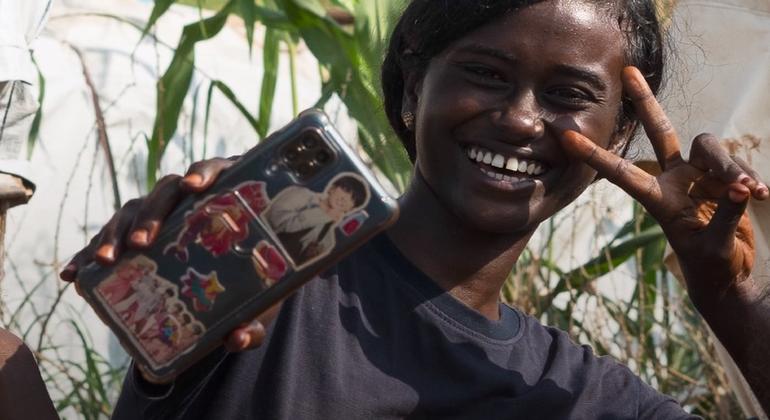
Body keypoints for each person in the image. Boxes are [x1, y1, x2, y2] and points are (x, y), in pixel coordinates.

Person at [59, 0, 770, 418]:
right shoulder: (272, 286)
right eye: (486, 75)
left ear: (617, 137)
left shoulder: (579, 395)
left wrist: (729, 301)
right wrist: (176, 261)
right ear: (409, 92)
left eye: (567, 96)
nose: (522, 121)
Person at [263, 174, 368, 267]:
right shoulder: (301, 195)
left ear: (351, 209)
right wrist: (323, 215)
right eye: (345, 190)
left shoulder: (327, 240)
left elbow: (300, 268)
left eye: (352, 199)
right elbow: (274, 221)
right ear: (332, 188)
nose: (344, 199)